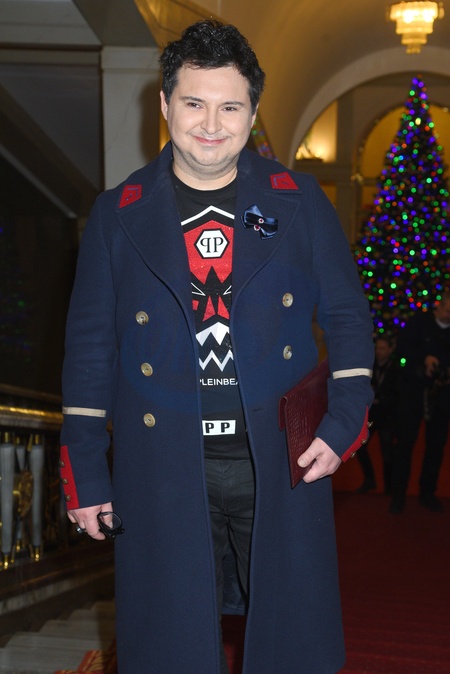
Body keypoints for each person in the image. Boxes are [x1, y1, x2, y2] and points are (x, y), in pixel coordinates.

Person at [59, 20, 374, 674]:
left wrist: (345, 420)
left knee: (288, 640)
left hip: (280, 458)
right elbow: (89, 352)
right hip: (162, 462)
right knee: (172, 644)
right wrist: (86, 473)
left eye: (230, 107)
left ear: (252, 113)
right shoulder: (117, 215)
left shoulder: (299, 201)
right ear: (165, 104)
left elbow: (348, 317)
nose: (211, 124)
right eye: (194, 103)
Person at [389, 292, 450, 514]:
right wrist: (424, 358)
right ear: (439, 305)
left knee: (436, 445)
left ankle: (428, 493)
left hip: (442, 394)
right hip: (413, 391)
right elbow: (402, 349)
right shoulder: (420, 321)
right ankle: (398, 495)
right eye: (447, 310)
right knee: (405, 443)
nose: (448, 315)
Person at [355, 334, 398, 494]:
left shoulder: (395, 368)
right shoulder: (370, 366)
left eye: (382, 348)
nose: (379, 352)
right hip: (372, 414)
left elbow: (399, 394)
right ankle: (369, 480)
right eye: (377, 348)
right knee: (360, 446)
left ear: (390, 350)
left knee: (387, 452)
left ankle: (389, 487)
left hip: (388, 416)